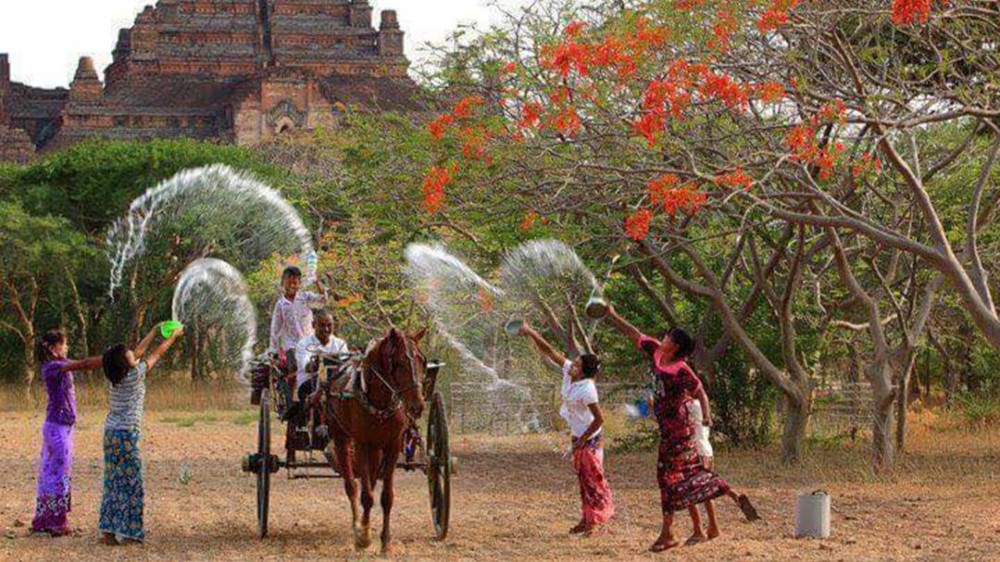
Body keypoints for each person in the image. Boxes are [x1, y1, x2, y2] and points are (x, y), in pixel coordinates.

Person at [604, 305, 759, 552]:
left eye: (668, 336)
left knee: (669, 479)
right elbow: (634, 333)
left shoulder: (681, 369)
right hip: (669, 429)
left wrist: (707, 417)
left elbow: (700, 392)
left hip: (680, 432)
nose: (663, 337)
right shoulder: (655, 352)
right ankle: (726, 497)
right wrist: (611, 315)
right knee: (690, 475)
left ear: (674, 345)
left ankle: (669, 533)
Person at [517, 321, 614, 536]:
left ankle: (594, 522)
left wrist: (583, 439)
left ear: (584, 372)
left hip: (590, 440)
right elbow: (551, 352)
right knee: (584, 480)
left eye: (577, 365)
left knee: (592, 482)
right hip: (579, 437)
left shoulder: (587, 389)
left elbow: (599, 419)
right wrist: (531, 331)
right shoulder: (572, 376)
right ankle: (586, 518)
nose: (572, 366)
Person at [98, 323, 184, 545]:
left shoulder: (116, 376)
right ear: (125, 363)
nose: (133, 352)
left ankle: (108, 531)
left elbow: (139, 352)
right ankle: (129, 533)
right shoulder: (135, 375)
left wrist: (155, 331)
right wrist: (172, 337)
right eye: (128, 353)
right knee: (132, 483)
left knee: (112, 481)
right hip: (127, 435)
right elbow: (156, 353)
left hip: (110, 434)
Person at [30, 330, 104, 536]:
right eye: (63, 344)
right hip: (57, 427)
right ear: (54, 349)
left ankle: (47, 519)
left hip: (61, 426)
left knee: (52, 472)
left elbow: (84, 363)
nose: (66, 348)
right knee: (57, 473)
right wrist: (109, 359)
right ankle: (54, 521)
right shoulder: (54, 367)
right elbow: (84, 364)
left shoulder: (59, 364)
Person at [269, 266, 328, 407]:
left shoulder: (306, 297)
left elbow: (322, 301)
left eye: (295, 282)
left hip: (310, 342)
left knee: (322, 366)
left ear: (300, 283)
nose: (292, 285)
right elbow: (275, 329)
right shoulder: (281, 304)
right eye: (289, 282)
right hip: (292, 345)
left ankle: (321, 395)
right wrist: (273, 351)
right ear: (283, 283)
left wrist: (319, 285)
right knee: (296, 365)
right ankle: (293, 399)